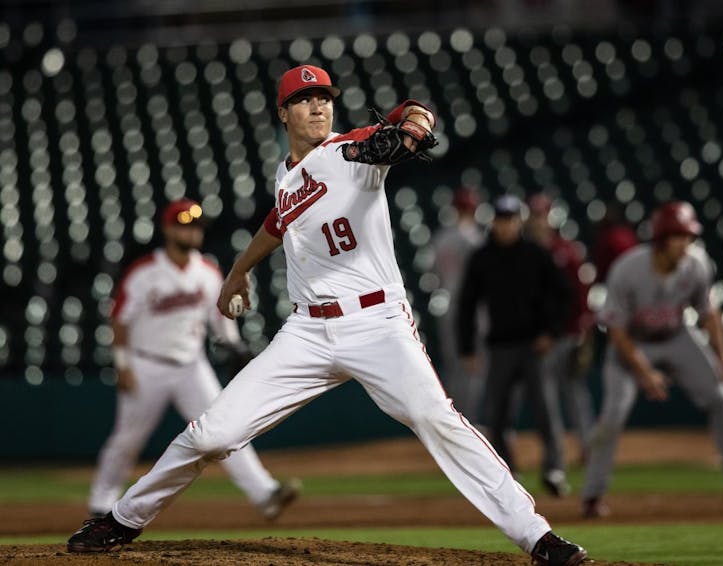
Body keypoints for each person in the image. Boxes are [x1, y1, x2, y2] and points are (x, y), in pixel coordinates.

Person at [67, 65, 587, 566]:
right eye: (304, 99)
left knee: (436, 417)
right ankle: (124, 518)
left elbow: (414, 112)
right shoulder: (285, 175)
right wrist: (237, 271)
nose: (317, 105)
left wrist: (411, 127)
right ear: (283, 114)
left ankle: (535, 534)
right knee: (211, 435)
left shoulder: (352, 151)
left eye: (324, 97)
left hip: (377, 324)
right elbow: (278, 219)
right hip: (308, 331)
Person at [86, 199, 299, 520]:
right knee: (127, 440)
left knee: (224, 428)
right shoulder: (145, 272)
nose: (192, 232)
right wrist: (123, 364)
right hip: (146, 365)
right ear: (168, 229)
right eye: (185, 225)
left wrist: (234, 346)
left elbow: (220, 320)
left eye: (196, 226)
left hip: (191, 366)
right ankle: (101, 504)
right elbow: (119, 321)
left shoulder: (208, 271)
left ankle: (265, 494)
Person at [582, 201, 723, 518]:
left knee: (720, 397)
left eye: (689, 236)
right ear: (660, 239)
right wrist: (645, 374)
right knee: (613, 415)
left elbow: (708, 312)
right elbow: (616, 331)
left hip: (677, 336)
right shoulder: (628, 268)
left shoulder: (697, 263)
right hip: (633, 343)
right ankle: (592, 495)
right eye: (678, 236)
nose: (686, 243)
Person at [457, 195, 573, 497]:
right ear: (494, 221)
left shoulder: (536, 253)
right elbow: (467, 304)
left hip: (535, 346)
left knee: (546, 411)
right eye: (501, 219)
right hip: (500, 348)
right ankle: (509, 475)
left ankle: (554, 470)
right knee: (497, 415)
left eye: (510, 219)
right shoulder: (482, 258)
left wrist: (551, 331)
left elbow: (563, 293)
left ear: (518, 222)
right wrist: (467, 348)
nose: (506, 225)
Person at [526, 194, 596, 462]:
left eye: (541, 215)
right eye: (534, 215)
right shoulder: (526, 252)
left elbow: (580, 293)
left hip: (566, 335)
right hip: (540, 338)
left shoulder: (567, 251)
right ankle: (554, 451)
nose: (538, 221)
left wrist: (583, 328)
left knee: (574, 393)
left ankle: (587, 446)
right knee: (547, 398)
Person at [431, 185, 487, 422]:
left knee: (453, 368)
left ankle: (453, 422)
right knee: (475, 368)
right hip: (471, 308)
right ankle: (470, 423)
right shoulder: (474, 238)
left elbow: (434, 273)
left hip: (446, 304)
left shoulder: (440, 237)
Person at [591, 201, 639, 284]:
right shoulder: (627, 233)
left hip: (619, 281)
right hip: (635, 277)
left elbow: (602, 271)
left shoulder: (607, 240)